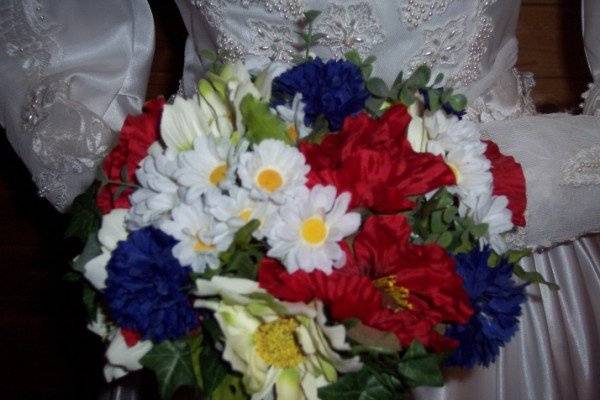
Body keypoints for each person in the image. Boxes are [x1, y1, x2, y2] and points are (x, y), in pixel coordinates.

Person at [1, 1, 599, 399]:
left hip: (489, 257)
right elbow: (56, 65)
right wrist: (169, 205)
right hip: (221, 268)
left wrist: (529, 182)